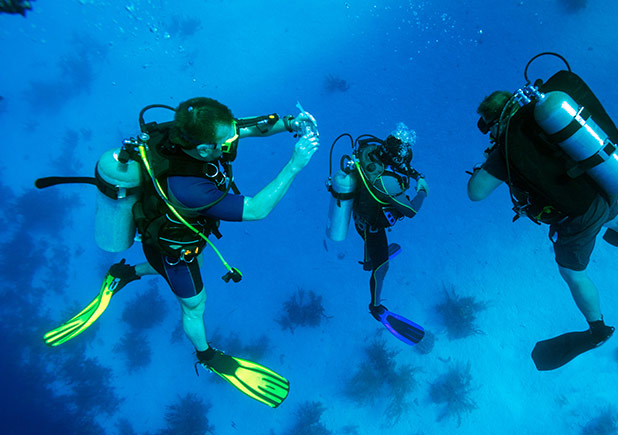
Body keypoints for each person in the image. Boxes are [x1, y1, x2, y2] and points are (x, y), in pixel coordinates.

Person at [44, 97, 319, 407]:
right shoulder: (186, 187)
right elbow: (256, 210)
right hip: (176, 250)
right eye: (224, 141)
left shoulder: (188, 133)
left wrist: (290, 124)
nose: (232, 139)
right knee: (194, 305)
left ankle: (124, 274)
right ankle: (206, 354)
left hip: (178, 236)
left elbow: (244, 128)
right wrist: (296, 164)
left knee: (183, 264)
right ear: (204, 150)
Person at [467, 86, 618, 371]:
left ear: (495, 121)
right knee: (616, 218)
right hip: (600, 187)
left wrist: (487, 163)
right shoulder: (543, 118)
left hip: (577, 216)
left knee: (572, 272)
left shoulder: (508, 147)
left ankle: (597, 329)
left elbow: (476, 192)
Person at [350, 124, 428, 345]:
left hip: (359, 215)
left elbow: (397, 166)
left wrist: (410, 171)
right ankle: (375, 307)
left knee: (368, 242)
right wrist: (422, 190)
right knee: (382, 268)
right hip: (373, 227)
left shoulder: (369, 150)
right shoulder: (387, 182)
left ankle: (368, 261)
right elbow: (410, 211)